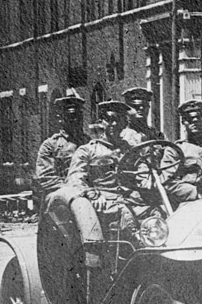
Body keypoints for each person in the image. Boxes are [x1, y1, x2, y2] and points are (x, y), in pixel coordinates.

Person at [62, 100, 147, 264]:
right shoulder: (87, 150)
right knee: (126, 217)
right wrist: (92, 194)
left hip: (132, 199)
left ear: (124, 123)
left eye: (119, 120)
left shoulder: (130, 149)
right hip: (105, 200)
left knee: (159, 213)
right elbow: (75, 178)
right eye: (110, 119)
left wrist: (146, 179)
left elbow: (142, 168)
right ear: (102, 122)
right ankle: (140, 258)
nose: (115, 124)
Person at [33, 89, 87, 212]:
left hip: (85, 193)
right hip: (59, 197)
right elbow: (47, 178)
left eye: (79, 116)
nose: (76, 120)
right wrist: (72, 189)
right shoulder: (50, 145)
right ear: (61, 119)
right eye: (71, 116)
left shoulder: (88, 143)